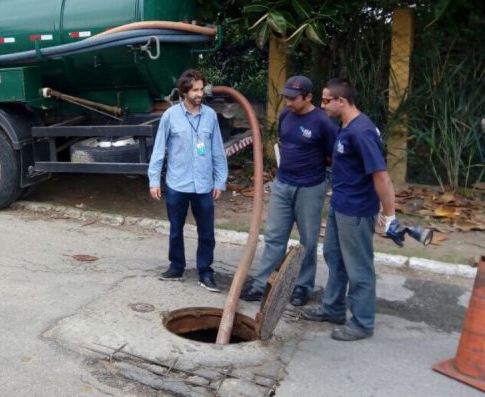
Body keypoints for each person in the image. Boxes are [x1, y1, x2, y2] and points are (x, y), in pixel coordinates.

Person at [301, 78, 397, 341]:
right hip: (340, 206)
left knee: (359, 268)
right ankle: (333, 308)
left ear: (341, 101)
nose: (322, 106)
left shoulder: (361, 132)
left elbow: (381, 177)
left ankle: (363, 323)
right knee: (334, 256)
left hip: (355, 211)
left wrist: (390, 216)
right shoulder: (347, 126)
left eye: (326, 101)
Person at [240, 75, 337, 306]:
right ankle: (262, 284)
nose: (288, 102)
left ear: (308, 97)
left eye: (293, 98)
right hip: (282, 185)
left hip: (310, 188)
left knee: (308, 240)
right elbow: (286, 144)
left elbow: (333, 156)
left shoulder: (323, 122)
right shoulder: (286, 115)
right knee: (274, 236)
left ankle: (302, 287)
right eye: (286, 97)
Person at [148, 69, 228, 293]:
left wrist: (220, 181)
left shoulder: (210, 115)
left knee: (207, 231)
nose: (200, 93)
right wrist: (154, 180)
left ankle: (205, 271)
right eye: (195, 90)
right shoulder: (170, 116)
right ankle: (176, 267)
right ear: (184, 91)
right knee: (176, 229)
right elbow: (158, 150)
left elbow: (217, 151)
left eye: (202, 89)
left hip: (203, 185)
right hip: (177, 184)